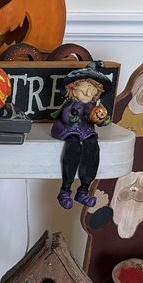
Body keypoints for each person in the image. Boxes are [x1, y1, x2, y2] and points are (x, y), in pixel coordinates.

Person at [53, 66, 111, 209]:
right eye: (83, 88)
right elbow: (66, 117)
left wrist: (103, 120)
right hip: (70, 130)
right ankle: (65, 190)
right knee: (73, 148)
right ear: (72, 89)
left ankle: (84, 189)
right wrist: (73, 118)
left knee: (93, 149)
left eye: (91, 88)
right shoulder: (72, 105)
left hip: (86, 131)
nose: (87, 92)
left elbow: (96, 118)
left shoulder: (93, 106)